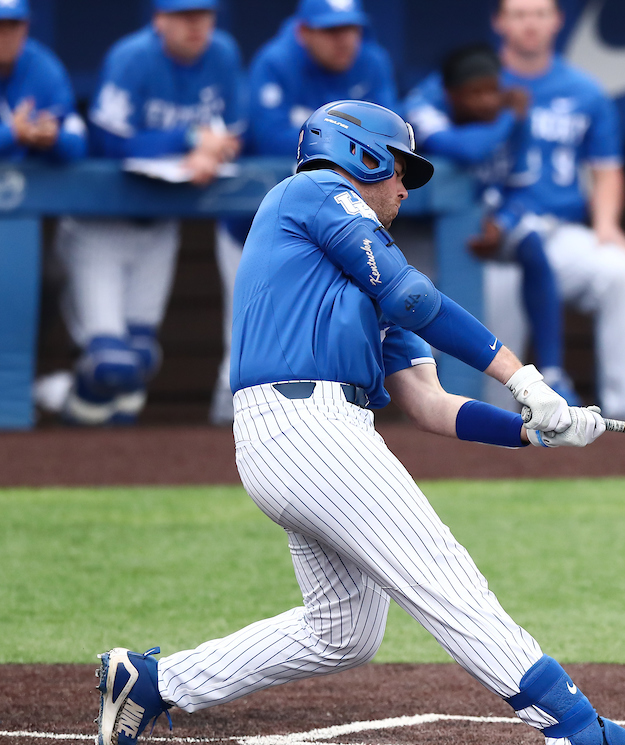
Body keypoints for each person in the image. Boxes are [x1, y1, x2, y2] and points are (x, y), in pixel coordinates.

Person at [93, 100, 625, 745]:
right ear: (360, 156)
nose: (404, 188)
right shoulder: (312, 193)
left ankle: (157, 681)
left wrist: (536, 427)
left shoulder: (361, 275)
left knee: (344, 630)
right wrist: (520, 375)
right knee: (443, 574)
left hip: (308, 438)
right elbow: (410, 294)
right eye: (400, 170)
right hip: (304, 428)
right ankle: (577, 735)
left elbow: (429, 406)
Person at [55, 0, 244, 426]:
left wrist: (209, 154)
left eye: (203, 14)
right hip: (100, 225)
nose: (195, 25)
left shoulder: (224, 55)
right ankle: (67, 433)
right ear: (159, 20)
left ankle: (111, 466)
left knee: (141, 357)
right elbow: (107, 142)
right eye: (182, 15)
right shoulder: (131, 58)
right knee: (110, 363)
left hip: (160, 225)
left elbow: (234, 135)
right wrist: (191, 138)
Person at [210, 0, 398, 425]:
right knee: (241, 339)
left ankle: (324, 429)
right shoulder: (276, 61)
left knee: (334, 335)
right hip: (255, 232)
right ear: (303, 31)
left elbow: (395, 141)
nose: (343, 40)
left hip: (337, 229)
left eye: (350, 29)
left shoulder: (373, 60)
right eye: (331, 30)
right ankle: (219, 443)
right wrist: (355, 153)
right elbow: (275, 138)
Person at [484, 0, 625, 419]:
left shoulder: (584, 89)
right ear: (500, 22)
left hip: (558, 232)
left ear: (556, 21)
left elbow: (607, 170)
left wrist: (607, 224)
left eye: (539, 13)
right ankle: (491, 435)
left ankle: (624, 416)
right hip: (493, 242)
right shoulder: (475, 80)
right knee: (491, 307)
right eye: (519, 14)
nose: (530, 24)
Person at [404, 44, 577, 404]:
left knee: (531, 242)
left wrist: (502, 220)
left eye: (491, 91)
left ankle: (556, 373)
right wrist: (508, 120)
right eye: (475, 93)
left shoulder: (509, 113)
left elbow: (523, 187)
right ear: (451, 94)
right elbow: (468, 150)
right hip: (419, 235)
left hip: (480, 220)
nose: (486, 101)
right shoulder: (422, 108)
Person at [0, 0, 86, 163]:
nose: (5, 36)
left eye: (13, 25)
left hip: (34, 186)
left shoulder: (45, 69)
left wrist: (55, 138)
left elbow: (79, 145)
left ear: (26, 27)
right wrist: (12, 133)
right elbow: (13, 133)